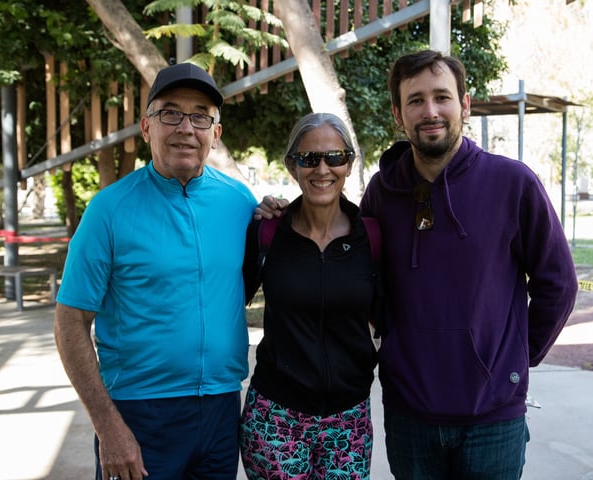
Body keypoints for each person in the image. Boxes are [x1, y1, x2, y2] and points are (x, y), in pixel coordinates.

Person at [359, 50, 578, 479]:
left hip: (493, 417)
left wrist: (516, 358)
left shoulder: (513, 183)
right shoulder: (382, 193)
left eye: (442, 97)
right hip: (409, 413)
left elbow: (558, 284)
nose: (431, 111)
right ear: (398, 115)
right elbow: (366, 280)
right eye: (416, 100)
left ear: (465, 104)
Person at [54, 62, 258, 480]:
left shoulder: (240, 202)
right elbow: (70, 322)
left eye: (201, 115)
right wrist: (107, 426)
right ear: (146, 127)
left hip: (221, 410)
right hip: (138, 415)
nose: (186, 127)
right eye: (170, 113)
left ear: (215, 133)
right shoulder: (108, 210)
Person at [239, 112, 380, 479]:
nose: (322, 169)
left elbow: (390, 318)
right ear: (292, 166)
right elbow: (228, 301)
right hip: (276, 416)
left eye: (334, 157)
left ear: (349, 163)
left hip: (348, 420)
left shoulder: (372, 238)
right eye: (308, 159)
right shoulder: (267, 231)